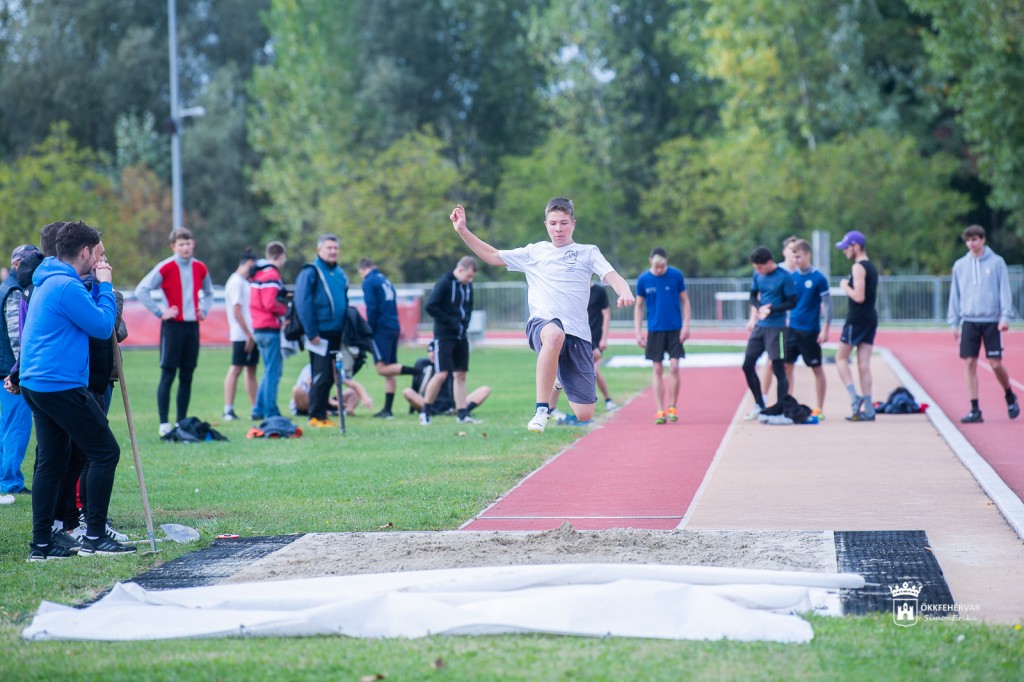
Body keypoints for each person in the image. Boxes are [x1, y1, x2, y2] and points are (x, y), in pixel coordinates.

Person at [450, 198, 635, 434]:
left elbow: (612, 276)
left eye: (564, 223)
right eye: (553, 223)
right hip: (542, 323)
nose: (559, 228)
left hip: (577, 334)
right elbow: (493, 255)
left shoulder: (588, 252)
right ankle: (541, 409)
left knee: (585, 413)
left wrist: (624, 291)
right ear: (546, 224)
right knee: (555, 335)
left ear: (573, 224)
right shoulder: (534, 252)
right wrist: (463, 230)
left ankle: (558, 377)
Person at [19, 221, 135, 559]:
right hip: (58, 384)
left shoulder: (48, 279)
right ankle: (94, 537)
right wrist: (106, 286)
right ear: (85, 252)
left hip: (37, 382)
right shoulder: (66, 286)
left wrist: (97, 287)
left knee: (51, 461)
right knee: (105, 452)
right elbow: (102, 326)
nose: (101, 259)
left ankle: (42, 544)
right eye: (98, 252)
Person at [135, 227, 214, 435]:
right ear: (173, 246)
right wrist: (161, 312)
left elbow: (209, 292)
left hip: (192, 327)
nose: (185, 248)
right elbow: (141, 290)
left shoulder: (200, 267)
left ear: (193, 244)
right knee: (168, 374)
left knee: (187, 375)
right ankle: (164, 424)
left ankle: (181, 422)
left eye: (188, 243)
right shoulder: (166, 267)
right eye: (181, 244)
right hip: (172, 328)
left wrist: (204, 310)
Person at [946, 224, 1020, 423]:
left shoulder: (997, 263)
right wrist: (954, 323)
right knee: (969, 363)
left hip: (991, 320)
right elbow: (955, 295)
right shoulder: (960, 265)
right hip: (969, 320)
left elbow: (1004, 290)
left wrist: (1005, 316)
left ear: (983, 240)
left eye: (975, 239)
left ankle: (1009, 394)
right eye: (968, 240)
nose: (971, 243)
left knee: (995, 364)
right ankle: (974, 408)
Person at [294, 234, 349, 428]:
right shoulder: (311, 271)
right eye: (329, 248)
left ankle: (323, 413)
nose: (333, 251)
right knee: (321, 374)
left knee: (331, 376)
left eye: (335, 248)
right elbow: (303, 302)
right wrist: (311, 332)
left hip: (336, 332)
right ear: (319, 250)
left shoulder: (340, 273)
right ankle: (315, 416)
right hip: (319, 334)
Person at [419, 256, 480, 426]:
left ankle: (462, 414)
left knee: (461, 375)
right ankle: (425, 411)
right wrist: (450, 321)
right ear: (460, 270)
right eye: (468, 276)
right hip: (444, 336)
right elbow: (431, 306)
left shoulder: (468, 286)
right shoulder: (445, 283)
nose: (470, 280)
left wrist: (464, 323)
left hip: (461, 336)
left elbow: (469, 306)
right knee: (441, 374)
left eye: (472, 277)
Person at [634, 247, 691, 425]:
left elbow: (685, 300)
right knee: (657, 368)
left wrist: (686, 325)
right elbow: (639, 307)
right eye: (656, 266)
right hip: (655, 329)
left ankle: (672, 406)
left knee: (674, 366)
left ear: (666, 261)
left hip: (674, 328)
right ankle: (660, 410)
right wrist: (638, 331)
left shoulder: (676, 275)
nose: (659, 270)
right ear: (650, 262)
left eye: (663, 266)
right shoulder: (643, 279)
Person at [1, 244, 41, 497]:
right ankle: (9, 481)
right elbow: (18, 337)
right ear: (16, 264)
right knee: (16, 426)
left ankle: (7, 477)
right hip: (9, 371)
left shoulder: (6, 287)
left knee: (8, 425)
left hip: (5, 367)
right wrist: (19, 373)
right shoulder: (15, 291)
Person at [741, 246, 797, 421]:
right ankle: (760, 403)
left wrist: (772, 310)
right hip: (760, 326)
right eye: (756, 268)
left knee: (778, 369)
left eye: (760, 267)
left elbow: (792, 302)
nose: (758, 270)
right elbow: (752, 296)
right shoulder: (758, 275)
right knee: (747, 365)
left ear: (769, 263)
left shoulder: (784, 276)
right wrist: (760, 308)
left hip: (777, 327)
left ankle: (780, 409)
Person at [358, 257, 415, 419]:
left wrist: (369, 329)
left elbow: (371, 307)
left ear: (362, 270)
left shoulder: (369, 281)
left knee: (382, 368)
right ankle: (387, 410)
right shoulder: (385, 280)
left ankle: (417, 371)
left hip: (381, 328)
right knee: (389, 370)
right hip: (392, 325)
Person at [783, 239, 832, 417]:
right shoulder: (792, 277)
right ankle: (786, 404)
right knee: (787, 367)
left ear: (807, 255)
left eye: (798, 257)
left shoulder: (819, 278)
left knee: (816, 368)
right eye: (793, 257)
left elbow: (828, 305)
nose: (795, 260)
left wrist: (825, 329)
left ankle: (819, 408)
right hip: (792, 329)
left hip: (810, 331)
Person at [834, 230, 879, 421]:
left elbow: (859, 296)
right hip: (870, 317)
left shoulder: (858, 267)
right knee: (863, 365)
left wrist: (845, 286)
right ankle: (869, 408)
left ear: (856, 246)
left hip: (857, 318)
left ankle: (854, 397)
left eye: (847, 248)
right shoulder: (872, 267)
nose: (845, 251)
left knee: (840, 358)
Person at [250, 241, 289, 420]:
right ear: (281, 256)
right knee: (274, 372)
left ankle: (258, 409)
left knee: (268, 370)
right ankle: (270, 411)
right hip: (269, 328)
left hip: (258, 328)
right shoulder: (272, 275)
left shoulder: (259, 274)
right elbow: (270, 303)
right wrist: (286, 310)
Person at [758, 236, 799, 404]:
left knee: (788, 366)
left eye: (797, 250)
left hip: (795, 325)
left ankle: (785, 403)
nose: (794, 253)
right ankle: (761, 400)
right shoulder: (777, 272)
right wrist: (755, 316)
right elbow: (761, 295)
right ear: (784, 251)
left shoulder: (803, 272)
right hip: (777, 323)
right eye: (791, 249)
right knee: (771, 362)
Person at [403, 340, 490, 416]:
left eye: (435, 351)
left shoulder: (450, 364)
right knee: (407, 391)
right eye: (430, 351)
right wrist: (412, 409)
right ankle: (430, 411)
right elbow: (415, 386)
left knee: (485, 390)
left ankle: (460, 411)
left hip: (451, 404)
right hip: (428, 402)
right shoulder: (422, 364)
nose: (432, 354)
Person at [222, 249, 259, 420]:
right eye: (252, 266)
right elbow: (236, 310)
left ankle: (255, 408)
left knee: (251, 369)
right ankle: (228, 409)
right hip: (241, 334)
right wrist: (247, 333)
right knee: (236, 368)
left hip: (250, 333)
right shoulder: (236, 282)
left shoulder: (245, 282)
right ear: (245, 264)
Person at [289, 363, 373, 417]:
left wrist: (365, 398)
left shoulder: (335, 368)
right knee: (297, 390)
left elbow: (353, 384)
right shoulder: (311, 369)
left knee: (353, 392)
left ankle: (346, 411)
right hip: (308, 401)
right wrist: (331, 401)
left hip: (325, 401)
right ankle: (318, 411)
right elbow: (313, 387)